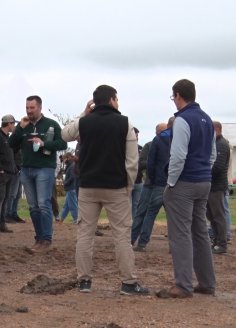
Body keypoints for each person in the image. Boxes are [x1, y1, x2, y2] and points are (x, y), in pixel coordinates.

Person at [62, 84, 149, 295]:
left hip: (88, 186)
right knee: (121, 235)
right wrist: (128, 185)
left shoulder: (85, 122)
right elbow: (131, 161)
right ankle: (128, 282)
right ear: (111, 100)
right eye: (116, 99)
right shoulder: (125, 123)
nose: (118, 102)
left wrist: (84, 112)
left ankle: (84, 281)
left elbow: (65, 134)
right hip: (116, 186)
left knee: (85, 234)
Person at [157, 79, 217, 298]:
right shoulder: (206, 119)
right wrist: (203, 171)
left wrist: (171, 182)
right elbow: (212, 155)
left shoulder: (182, 120)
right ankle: (207, 282)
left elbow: (178, 155)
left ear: (178, 95)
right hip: (204, 181)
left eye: (173, 97)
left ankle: (182, 284)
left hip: (184, 182)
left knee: (180, 234)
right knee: (200, 232)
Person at [8, 95, 67, 252]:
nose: (29, 111)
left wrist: (44, 143)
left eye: (32, 108)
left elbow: (62, 143)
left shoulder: (51, 124)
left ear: (40, 108)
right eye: (27, 108)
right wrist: (20, 127)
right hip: (26, 169)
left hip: (44, 168)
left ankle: (46, 240)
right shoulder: (23, 126)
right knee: (33, 206)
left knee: (43, 204)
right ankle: (39, 238)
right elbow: (11, 144)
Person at [131, 121, 170, 252]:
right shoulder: (149, 146)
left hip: (159, 183)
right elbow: (141, 163)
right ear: (157, 132)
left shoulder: (165, 142)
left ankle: (142, 242)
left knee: (151, 213)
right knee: (142, 212)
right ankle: (132, 239)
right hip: (151, 183)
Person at [0, 114, 17, 233]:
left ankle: (2, 223)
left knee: (6, 198)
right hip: (1, 173)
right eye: (13, 124)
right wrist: (0, 168)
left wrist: (15, 168)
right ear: (9, 123)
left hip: (10, 172)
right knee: (0, 197)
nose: (14, 126)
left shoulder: (8, 138)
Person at [206, 121, 230, 254]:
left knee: (218, 215)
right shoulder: (216, 143)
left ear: (216, 129)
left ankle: (222, 243)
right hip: (211, 186)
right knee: (211, 215)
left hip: (216, 186)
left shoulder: (221, 145)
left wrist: (203, 173)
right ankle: (216, 240)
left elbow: (218, 167)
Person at [58, 152, 78, 223]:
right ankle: (61, 220)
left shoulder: (72, 166)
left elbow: (72, 177)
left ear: (68, 157)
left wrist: (65, 183)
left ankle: (76, 219)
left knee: (73, 205)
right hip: (70, 188)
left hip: (71, 188)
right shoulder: (70, 166)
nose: (63, 161)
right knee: (66, 206)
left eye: (64, 159)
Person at [131, 128, 143, 219]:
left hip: (138, 181)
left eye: (137, 135)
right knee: (126, 205)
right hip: (127, 181)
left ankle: (134, 226)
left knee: (136, 205)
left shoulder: (140, 148)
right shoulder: (123, 148)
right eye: (135, 135)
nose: (136, 137)